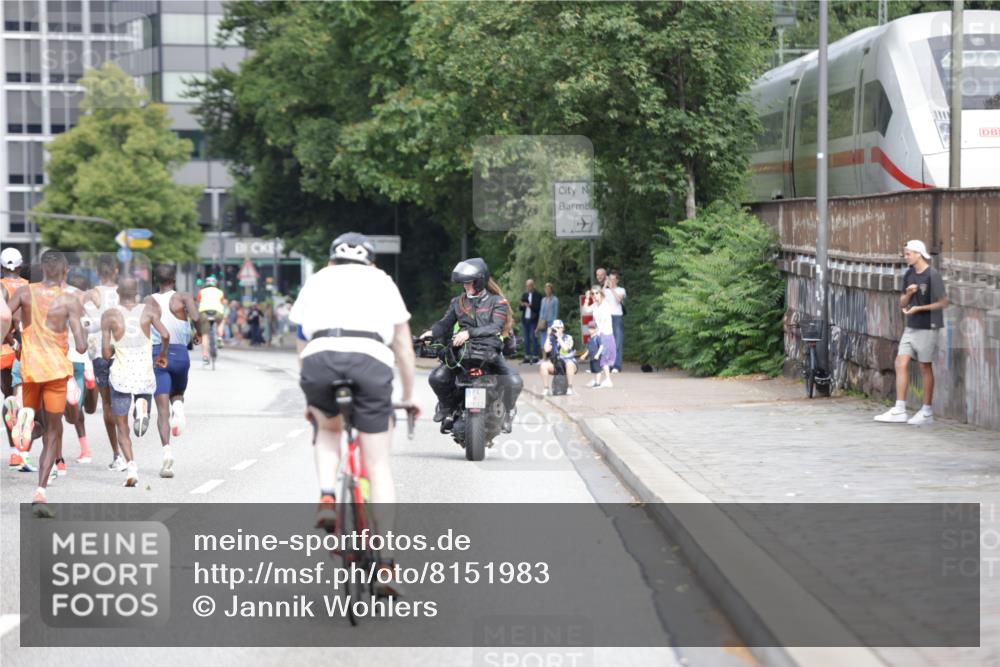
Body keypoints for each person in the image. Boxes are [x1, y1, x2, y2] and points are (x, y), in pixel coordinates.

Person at [290, 231, 418, 588]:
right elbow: (405, 349)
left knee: (328, 430)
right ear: (371, 261)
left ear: (332, 260)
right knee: (378, 465)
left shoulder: (317, 280)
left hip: (319, 362)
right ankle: (388, 564)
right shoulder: (382, 281)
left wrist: (310, 399)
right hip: (370, 362)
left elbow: (301, 339)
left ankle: (328, 495)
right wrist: (408, 396)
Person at [6, 250, 88, 517]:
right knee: (52, 432)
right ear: (64, 271)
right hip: (56, 372)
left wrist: (9, 338)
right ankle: (40, 491)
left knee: (33, 423)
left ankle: (23, 417)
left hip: (29, 368)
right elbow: (82, 345)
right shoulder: (69, 300)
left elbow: (5, 317)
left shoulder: (24, 293)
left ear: (42, 269)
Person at [424, 258, 524, 433]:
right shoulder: (458, 302)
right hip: (463, 353)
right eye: (463, 283)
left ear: (479, 281)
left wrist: (469, 333)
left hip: (490, 353)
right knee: (437, 378)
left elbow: (495, 327)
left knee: (514, 381)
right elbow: (444, 324)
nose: (465, 286)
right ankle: (447, 409)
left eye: (469, 283)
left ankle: (507, 413)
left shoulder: (498, 302)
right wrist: (431, 332)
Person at [102, 278, 170, 487]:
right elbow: (165, 334)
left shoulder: (110, 315)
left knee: (122, 426)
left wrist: (113, 349)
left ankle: (131, 467)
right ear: (137, 293)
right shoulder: (148, 311)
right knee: (142, 399)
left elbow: (105, 353)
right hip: (144, 373)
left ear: (118, 294)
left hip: (121, 375)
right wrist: (162, 355)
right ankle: (142, 407)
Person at [875, 240, 948, 425]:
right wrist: (908, 294)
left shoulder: (933, 275)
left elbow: (943, 303)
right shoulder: (908, 274)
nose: (905, 256)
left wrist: (920, 308)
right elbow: (902, 302)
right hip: (911, 325)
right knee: (901, 362)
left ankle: (927, 411)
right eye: (905, 253)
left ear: (918, 254)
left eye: (908, 253)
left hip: (928, 325)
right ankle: (899, 409)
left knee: (924, 366)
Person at [146, 264, 200, 478]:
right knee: (177, 394)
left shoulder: (148, 301)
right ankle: (179, 407)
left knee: (161, 411)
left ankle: (167, 453)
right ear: (174, 280)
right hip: (181, 356)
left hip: (158, 355)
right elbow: (196, 318)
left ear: (155, 280)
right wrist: (200, 334)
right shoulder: (184, 297)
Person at [82, 254, 124, 470]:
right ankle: (128, 451)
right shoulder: (126, 292)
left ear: (97, 272)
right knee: (125, 399)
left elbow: (87, 326)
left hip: (100, 354)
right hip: (126, 353)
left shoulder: (92, 294)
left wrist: (100, 321)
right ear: (116, 271)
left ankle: (118, 454)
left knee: (107, 404)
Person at [2, 247, 34, 472]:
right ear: (21, 266)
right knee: (27, 398)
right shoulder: (30, 288)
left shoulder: (1, 288)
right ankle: (25, 451)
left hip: (5, 348)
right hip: (28, 348)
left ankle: (14, 452)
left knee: (8, 397)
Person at [587, 285, 616, 388]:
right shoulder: (595, 305)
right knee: (599, 358)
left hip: (605, 333)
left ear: (601, 293)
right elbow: (586, 310)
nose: (594, 295)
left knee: (604, 358)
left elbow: (603, 322)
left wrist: (597, 333)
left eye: (596, 293)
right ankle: (599, 379)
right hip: (598, 334)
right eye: (592, 293)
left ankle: (608, 380)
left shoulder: (605, 305)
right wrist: (587, 298)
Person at [539, 319, 576, 395]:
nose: (555, 330)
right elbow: (546, 349)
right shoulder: (551, 338)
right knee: (543, 365)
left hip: (568, 363)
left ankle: (570, 387)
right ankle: (546, 388)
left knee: (569, 364)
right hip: (556, 363)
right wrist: (548, 336)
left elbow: (566, 349)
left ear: (562, 328)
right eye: (554, 328)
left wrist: (558, 338)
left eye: (557, 328)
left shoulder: (568, 337)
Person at [196, 276, 225, 364]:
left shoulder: (201, 292)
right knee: (221, 321)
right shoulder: (220, 292)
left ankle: (205, 355)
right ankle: (219, 337)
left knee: (205, 335)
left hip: (204, 313)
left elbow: (198, 301)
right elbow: (222, 302)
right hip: (217, 312)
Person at [605, 271, 626, 372]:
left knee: (618, 342)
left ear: (617, 280)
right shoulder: (605, 291)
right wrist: (605, 285)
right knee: (608, 342)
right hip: (607, 317)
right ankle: (608, 365)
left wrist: (612, 289)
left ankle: (617, 366)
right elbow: (597, 296)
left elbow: (618, 300)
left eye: (613, 279)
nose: (611, 281)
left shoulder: (621, 290)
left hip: (617, 317)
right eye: (610, 279)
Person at [519, 278, 542, 364]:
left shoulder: (538, 295)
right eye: (527, 286)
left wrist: (530, 305)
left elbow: (538, 309)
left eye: (529, 286)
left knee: (534, 337)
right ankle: (527, 356)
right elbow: (520, 308)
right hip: (525, 319)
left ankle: (536, 356)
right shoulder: (524, 295)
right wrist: (523, 305)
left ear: (533, 285)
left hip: (533, 319)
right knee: (526, 338)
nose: (528, 287)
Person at [537, 282, 559, 352]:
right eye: (546, 289)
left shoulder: (555, 300)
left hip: (551, 322)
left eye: (549, 289)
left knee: (552, 340)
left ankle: (553, 357)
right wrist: (539, 323)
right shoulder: (543, 300)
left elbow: (556, 313)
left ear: (551, 290)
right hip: (543, 323)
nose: (547, 290)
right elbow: (541, 312)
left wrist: (554, 325)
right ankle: (545, 358)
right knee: (543, 341)